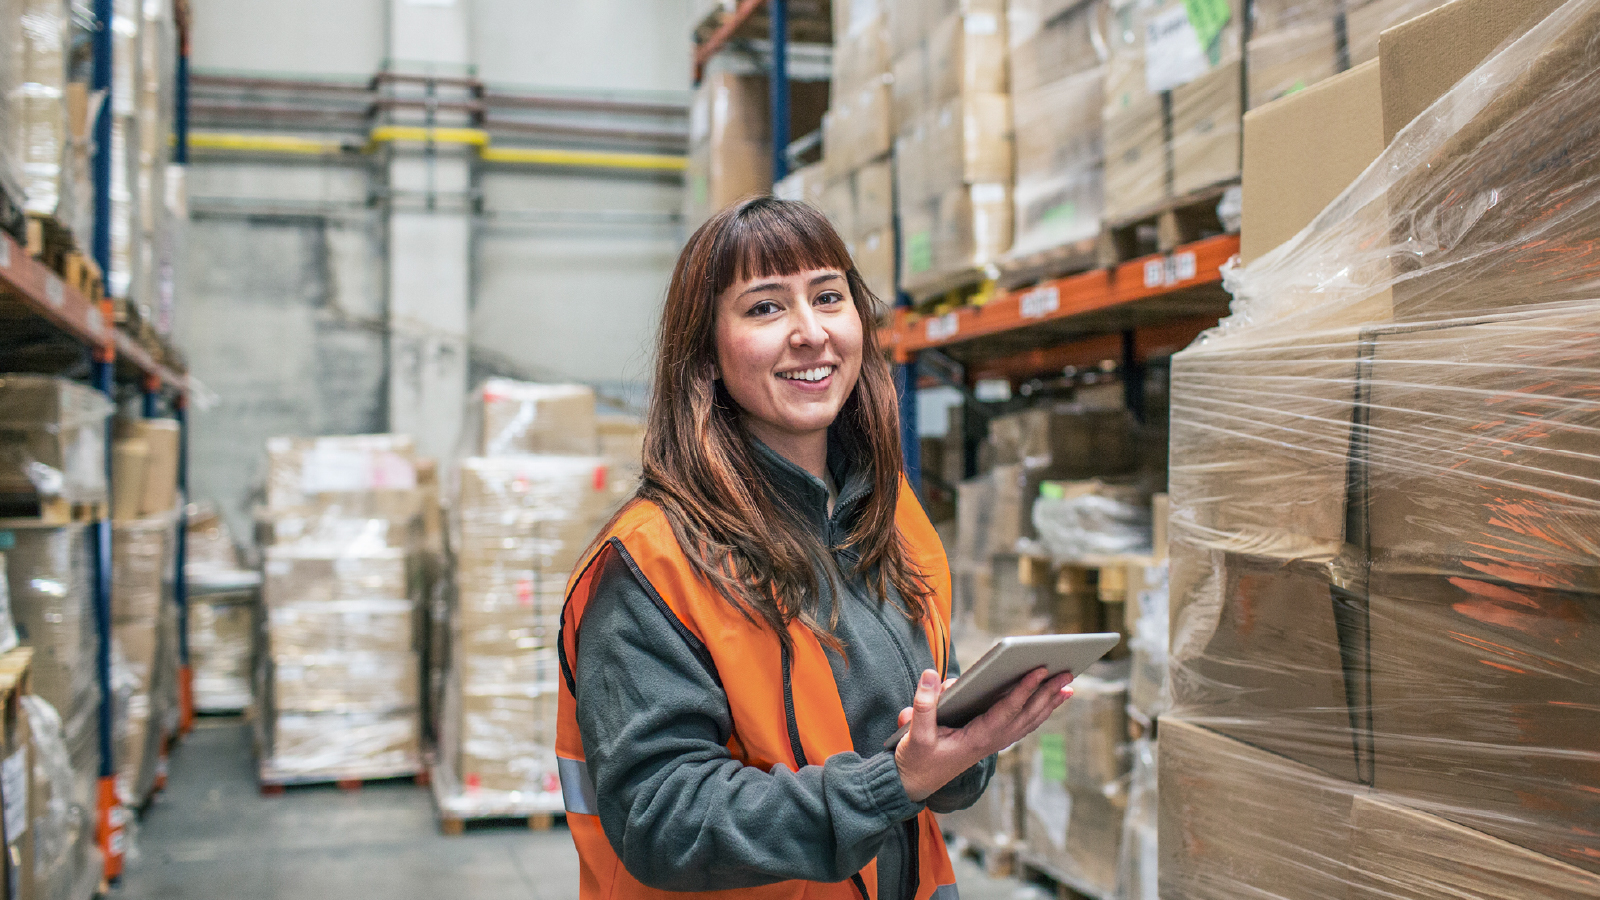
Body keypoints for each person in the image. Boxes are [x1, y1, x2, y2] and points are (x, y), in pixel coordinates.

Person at [555, 196, 1075, 900]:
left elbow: (912, 756)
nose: (810, 333)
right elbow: (663, 820)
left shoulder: (892, 521)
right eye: (766, 308)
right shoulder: (651, 563)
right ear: (705, 353)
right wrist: (897, 780)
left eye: (828, 297)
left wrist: (965, 742)